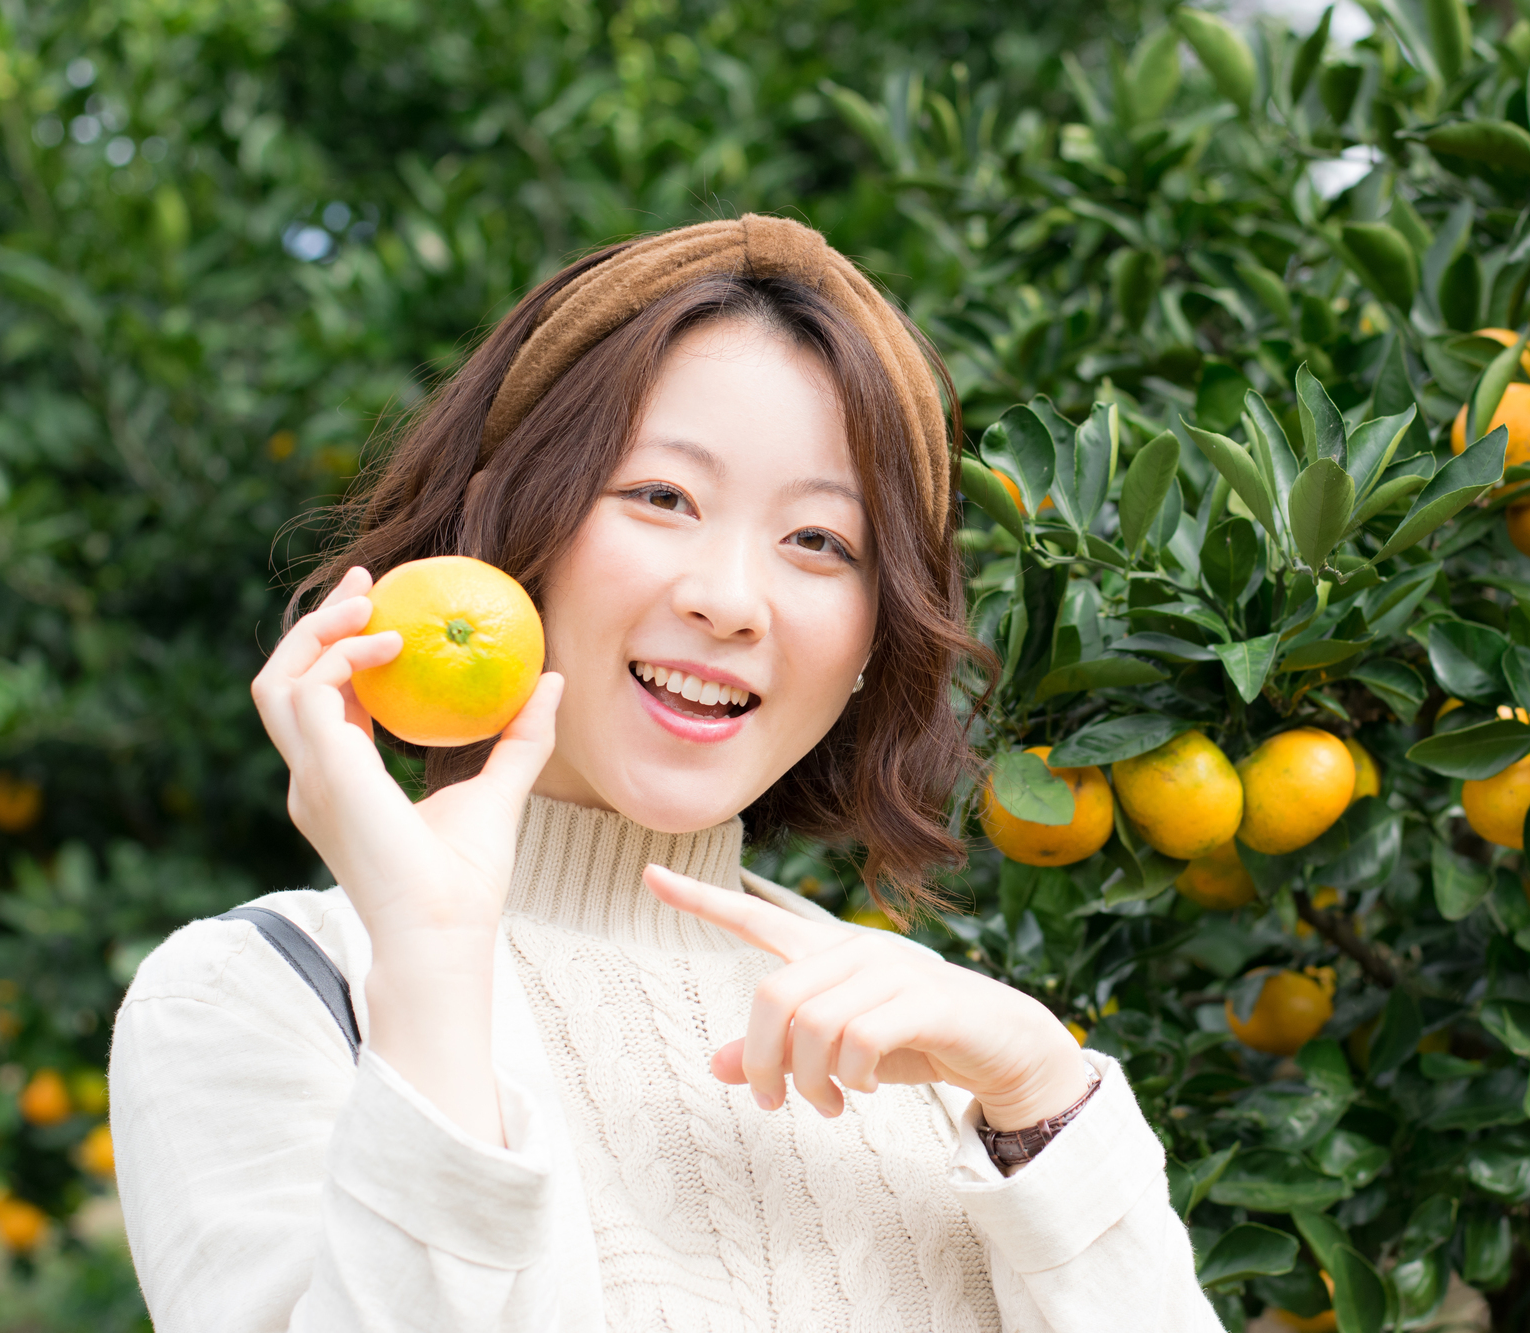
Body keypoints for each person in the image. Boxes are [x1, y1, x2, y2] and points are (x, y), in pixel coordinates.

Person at [108, 215, 1219, 1331]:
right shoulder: (258, 997)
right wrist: (435, 967)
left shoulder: (920, 1042)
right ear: (508, 525)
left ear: (874, 639)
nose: (729, 600)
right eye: (660, 498)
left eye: (820, 543)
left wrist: (1039, 1095)